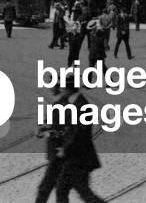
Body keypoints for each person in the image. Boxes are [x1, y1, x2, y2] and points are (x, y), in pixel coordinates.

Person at [35, 75, 104, 203]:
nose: (59, 89)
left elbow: (78, 133)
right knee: (63, 190)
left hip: (77, 157)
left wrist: (64, 149)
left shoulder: (80, 106)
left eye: (61, 87)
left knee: (77, 192)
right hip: (70, 155)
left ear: (68, 88)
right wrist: (45, 129)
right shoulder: (70, 103)